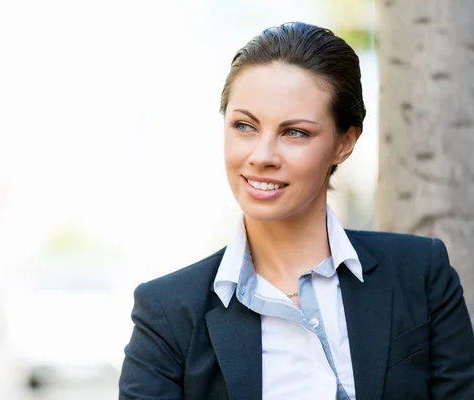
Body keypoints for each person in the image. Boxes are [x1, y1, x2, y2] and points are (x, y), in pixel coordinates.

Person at [118, 22, 474, 399]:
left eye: (295, 132)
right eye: (244, 126)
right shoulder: (167, 312)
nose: (262, 156)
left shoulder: (421, 274)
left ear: (344, 143)